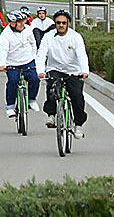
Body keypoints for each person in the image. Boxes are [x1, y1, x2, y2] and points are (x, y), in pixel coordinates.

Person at [37, 10, 89, 138]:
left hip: (73, 71)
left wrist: (84, 70)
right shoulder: (48, 37)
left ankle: (78, 126)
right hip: (55, 69)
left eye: (64, 23)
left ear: (68, 23)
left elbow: (82, 54)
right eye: (58, 23)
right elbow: (41, 54)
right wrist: (40, 71)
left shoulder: (75, 37)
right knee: (51, 89)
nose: (61, 25)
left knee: (77, 97)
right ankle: (51, 115)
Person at [0, 11, 40, 118]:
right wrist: (2, 64)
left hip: (28, 61)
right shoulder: (6, 34)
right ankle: (10, 107)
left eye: (23, 21)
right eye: (19, 22)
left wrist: (34, 57)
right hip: (12, 63)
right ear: (12, 23)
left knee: (35, 79)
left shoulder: (28, 30)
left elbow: (33, 44)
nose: (22, 24)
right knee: (13, 81)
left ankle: (31, 100)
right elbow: (3, 49)